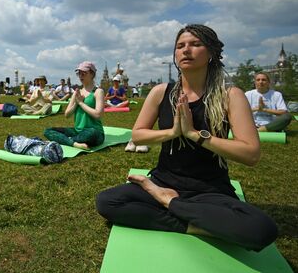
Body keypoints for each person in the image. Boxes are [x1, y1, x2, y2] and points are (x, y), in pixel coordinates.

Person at [96, 24, 277, 252]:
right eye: (180, 46)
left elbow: (251, 154)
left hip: (209, 189)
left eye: (195, 44)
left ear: (211, 52)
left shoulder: (230, 95)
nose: (186, 50)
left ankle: (169, 203)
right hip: (164, 180)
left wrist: (195, 135)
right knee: (108, 201)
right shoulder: (161, 92)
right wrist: (173, 132)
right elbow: (138, 136)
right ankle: (195, 224)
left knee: (261, 229)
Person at [44, 61, 104, 150]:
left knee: (91, 133)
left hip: (94, 132)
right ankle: (74, 143)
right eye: (79, 73)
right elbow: (67, 114)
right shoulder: (77, 93)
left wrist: (81, 103)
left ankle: (64, 140)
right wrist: (76, 103)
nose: (80, 76)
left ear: (92, 74)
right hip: (77, 131)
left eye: (84, 73)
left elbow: (98, 115)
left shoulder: (98, 91)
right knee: (48, 131)